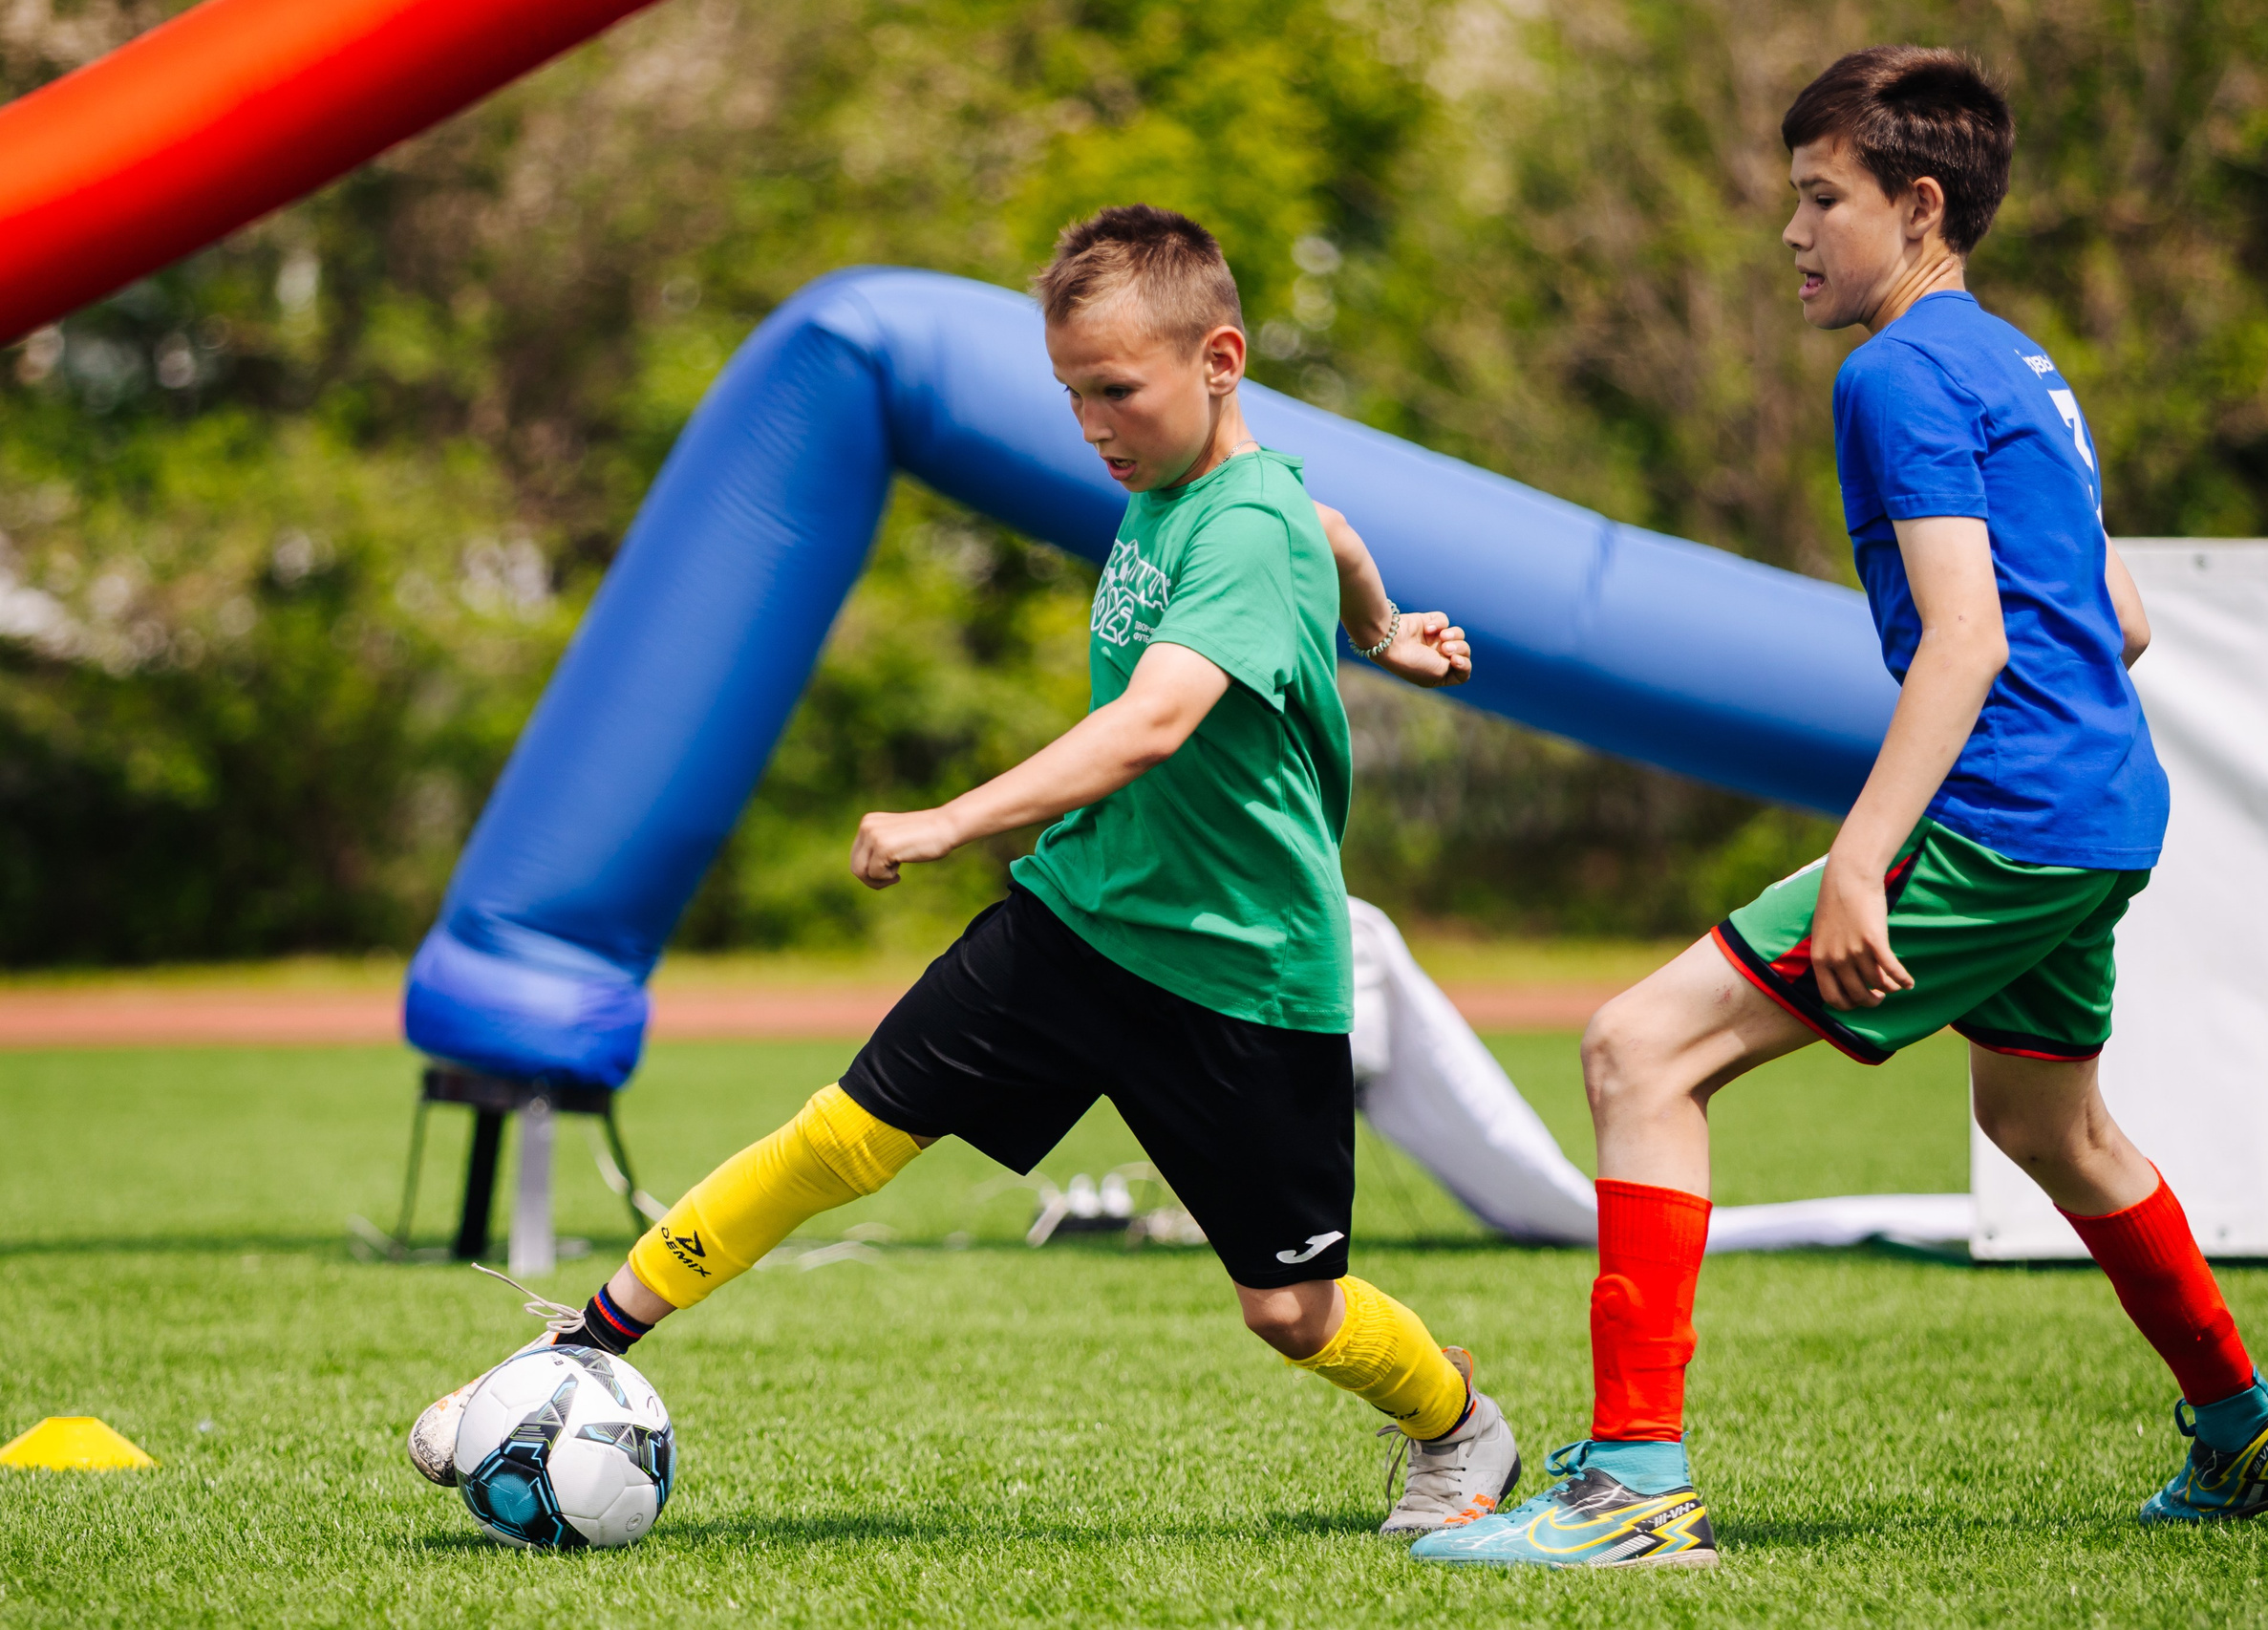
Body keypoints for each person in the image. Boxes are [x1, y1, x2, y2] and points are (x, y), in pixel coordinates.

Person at [410, 204, 1524, 1536]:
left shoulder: (1238, 530)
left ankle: (1459, 1427)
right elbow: (1335, 527)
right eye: (1070, 396)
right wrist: (1385, 630)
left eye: (1115, 390)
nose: (1092, 426)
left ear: (1219, 359)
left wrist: (950, 820)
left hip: (1245, 979)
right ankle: (571, 1355)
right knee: (845, 1136)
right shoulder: (1196, 495)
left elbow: (1152, 724)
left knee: (1289, 1310)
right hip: (1077, 924)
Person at [1413, 46, 2268, 1571]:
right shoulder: (2018, 361)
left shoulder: (1896, 371)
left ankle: (1633, 1485)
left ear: (1918, 205)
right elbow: (2118, 618)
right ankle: (2249, 1426)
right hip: (2105, 808)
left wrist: (1864, 860)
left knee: (1638, 1047)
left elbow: (1971, 635)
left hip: (2003, 815)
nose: (1791, 233)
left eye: (1818, 198)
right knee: (2048, 1120)